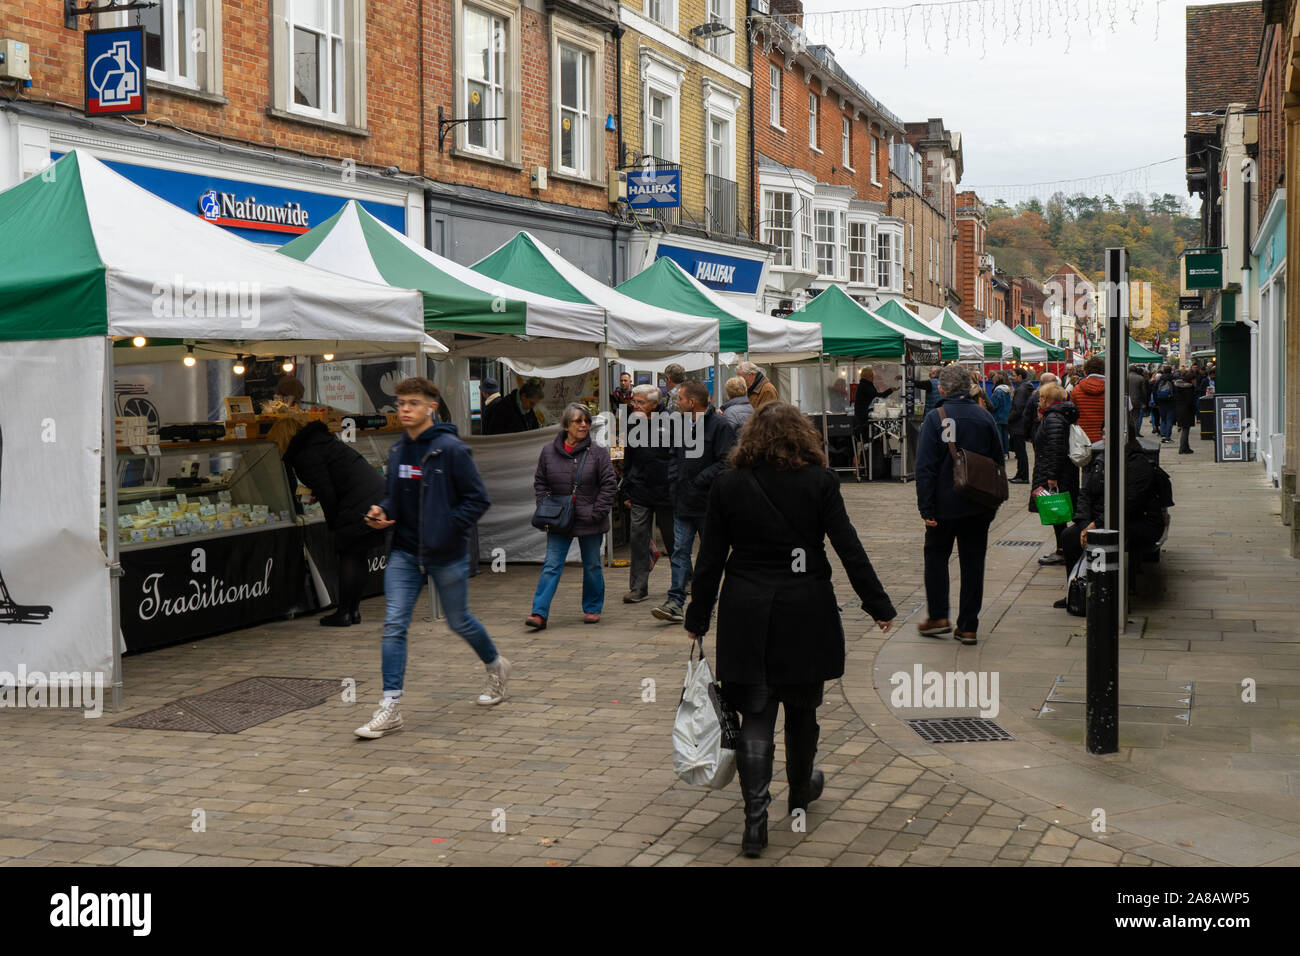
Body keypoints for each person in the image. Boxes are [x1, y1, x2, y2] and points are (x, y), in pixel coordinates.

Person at [684, 402, 896, 858]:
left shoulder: (727, 484)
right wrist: (877, 604)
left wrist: (697, 616)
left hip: (746, 609)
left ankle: (754, 823)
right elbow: (848, 546)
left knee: (756, 715)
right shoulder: (820, 482)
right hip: (805, 608)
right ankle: (799, 795)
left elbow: (710, 560)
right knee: (802, 709)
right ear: (802, 435)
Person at [357, 377, 510, 739]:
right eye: (400, 404)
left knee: (459, 622)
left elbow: (478, 500)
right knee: (395, 624)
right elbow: (394, 495)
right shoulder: (397, 451)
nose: (405, 409)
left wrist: (446, 527)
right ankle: (391, 706)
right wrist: (381, 509)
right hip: (404, 552)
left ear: (431, 406)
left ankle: (495, 666)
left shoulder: (450, 450)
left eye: (412, 402)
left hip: (446, 553)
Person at [914, 364, 1005, 645]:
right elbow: (998, 462)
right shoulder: (984, 417)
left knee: (937, 557)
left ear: (941, 389)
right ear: (969, 387)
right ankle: (968, 626)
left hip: (943, 504)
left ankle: (939, 615)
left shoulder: (934, 418)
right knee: (973, 563)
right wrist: (993, 504)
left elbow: (925, 467)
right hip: (978, 504)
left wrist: (926, 508)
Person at [269, 413, 386, 627]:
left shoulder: (304, 454)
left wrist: (334, 523)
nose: (276, 446)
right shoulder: (321, 442)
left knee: (349, 555)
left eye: (277, 441)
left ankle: (344, 613)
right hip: (373, 496)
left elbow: (327, 491)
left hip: (357, 502)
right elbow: (330, 478)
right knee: (359, 557)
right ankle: (353, 611)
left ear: (285, 437)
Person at [526, 404, 618, 628]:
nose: (584, 425)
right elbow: (541, 482)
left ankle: (593, 607)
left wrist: (597, 512)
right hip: (559, 518)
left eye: (586, 421)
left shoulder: (598, 453)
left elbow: (609, 485)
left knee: (592, 565)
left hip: (590, 518)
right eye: (578, 421)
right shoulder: (549, 451)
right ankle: (539, 613)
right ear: (566, 425)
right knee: (551, 565)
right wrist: (545, 505)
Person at [652, 380, 736, 624]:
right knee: (679, 552)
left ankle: (706, 600)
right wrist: (674, 482)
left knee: (708, 556)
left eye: (679, 400)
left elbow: (726, 461)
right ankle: (675, 602)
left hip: (709, 504)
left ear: (692, 402)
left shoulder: (720, 426)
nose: (676, 404)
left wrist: (698, 480)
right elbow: (673, 456)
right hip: (682, 501)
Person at [1058, 436, 1170, 606]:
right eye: (1103, 432)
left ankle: (1109, 596)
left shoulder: (1138, 463)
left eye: (1107, 432)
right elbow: (1085, 493)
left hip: (1132, 521)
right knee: (1068, 536)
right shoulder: (1101, 459)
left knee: (1114, 538)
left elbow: (1127, 504)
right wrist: (1084, 524)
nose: (1103, 437)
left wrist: (1096, 525)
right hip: (1097, 520)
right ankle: (1076, 591)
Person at [622, 385, 675, 604]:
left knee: (673, 539)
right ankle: (638, 587)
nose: (635, 406)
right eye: (634, 401)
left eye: (640, 402)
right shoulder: (634, 420)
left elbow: (678, 457)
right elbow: (629, 455)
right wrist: (626, 486)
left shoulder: (673, 421)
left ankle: (684, 580)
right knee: (638, 537)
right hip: (640, 489)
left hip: (666, 491)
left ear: (654, 403)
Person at [1028, 383, 1080, 567]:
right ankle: (1064, 548)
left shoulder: (1054, 418)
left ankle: (1064, 550)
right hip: (1058, 471)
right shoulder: (1053, 416)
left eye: (1041, 398)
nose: (1038, 401)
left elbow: (1056, 448)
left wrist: (1052, 476)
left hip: (1056, 474)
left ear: (1048, 399)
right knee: (1059, 512)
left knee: (1058, 512)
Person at [1007, 368, 1035, 483]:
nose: (1012, 377)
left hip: (1018, 425)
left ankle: (1022, 476)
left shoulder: (1021, 389)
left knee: (1020, 452)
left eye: (1013, 375)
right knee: (1020, 452)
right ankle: (1020, 474)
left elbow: (1018, 408)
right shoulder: (1025, 387)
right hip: (1021, 424)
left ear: (1019, 376)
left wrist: (1008, 419)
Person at [1072, 356, 1105, 442]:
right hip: (1104, 439)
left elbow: (1072, 415)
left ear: (1086, 371)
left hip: (1082, 438)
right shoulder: (1110, 390)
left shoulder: (1076, 390)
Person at [1173, 369, 1199, 454]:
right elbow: (1189, 401)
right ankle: (1182, 448)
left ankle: (1186, 447)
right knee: (1185, 430)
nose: (1195, 381)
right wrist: (1194, 409)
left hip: (1179, 409)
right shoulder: (1189, 388)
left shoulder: (1177, 386)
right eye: (1194, 379)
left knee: (1185, 429)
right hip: (1187, 411)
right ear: (1190, 380)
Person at [990, 371, 1012, 454]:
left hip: (998, 416)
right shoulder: (1007, 390)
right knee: (1005, 435)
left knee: (999, 436)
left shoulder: (998, 391)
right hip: (1006, 416)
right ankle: (1006, 452)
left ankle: (1001, 452)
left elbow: (994, 405)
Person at [1154, 366, 1176, 442]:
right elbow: (1175, 392)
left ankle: (1163, 435)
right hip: (1170, 402)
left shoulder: (1159, 380)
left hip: (1160, 402)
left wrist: (1156, 402)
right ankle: (1168, 437)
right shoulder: (1173, 380)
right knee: (1169, 420)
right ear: (1171, 371)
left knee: (1163, 419)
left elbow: (1154, 391)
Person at [1127, 365, 1149, 436]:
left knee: (1127, 417)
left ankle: (1127, 432)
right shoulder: (1140, 378)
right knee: (1136, 418)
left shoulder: (1125, 377)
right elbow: (1144, 392)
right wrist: (1144, 402)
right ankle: (1135, 433)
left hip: (1127, 400)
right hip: (1137, 401)